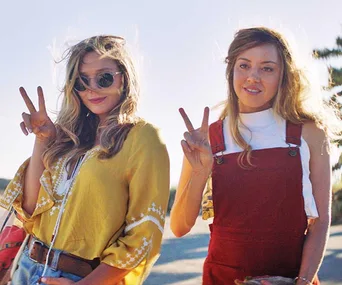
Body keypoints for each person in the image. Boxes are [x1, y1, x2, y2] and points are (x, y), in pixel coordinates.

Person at [170, 27, 341, 285]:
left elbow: (321, 221)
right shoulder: (206, 138)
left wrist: (302, 281)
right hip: (222, 278)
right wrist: (200, 170)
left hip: (292, 278)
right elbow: (179, 227)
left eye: (267, 68)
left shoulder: (309, 132)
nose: (253, 77)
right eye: (244, 65)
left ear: (284, 75)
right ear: (231, 71)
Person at [0, 35, 170, 285]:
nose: (92, 89)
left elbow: (144, 234)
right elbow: (30, 206)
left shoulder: (142, 138)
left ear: (124, 77)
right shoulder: (69, 138)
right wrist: (42, 139)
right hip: (26, 270)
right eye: (82, 81)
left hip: (80, 278)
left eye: (104, 78)